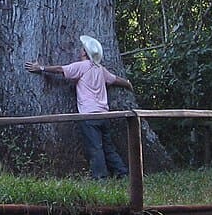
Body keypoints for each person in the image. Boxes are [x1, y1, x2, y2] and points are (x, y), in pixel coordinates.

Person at [26, 36, 133, 179]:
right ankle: (122, 172)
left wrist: (41, 68)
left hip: (89, 115)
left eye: (82, 49)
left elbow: (60, 69)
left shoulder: (81, 66)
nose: (80, 50)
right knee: (108, 147)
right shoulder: (100, 69)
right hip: (104, 115)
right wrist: (127, 83)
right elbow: (115, 79)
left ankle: (101, 178)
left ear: (84, 53)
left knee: (95, 148)